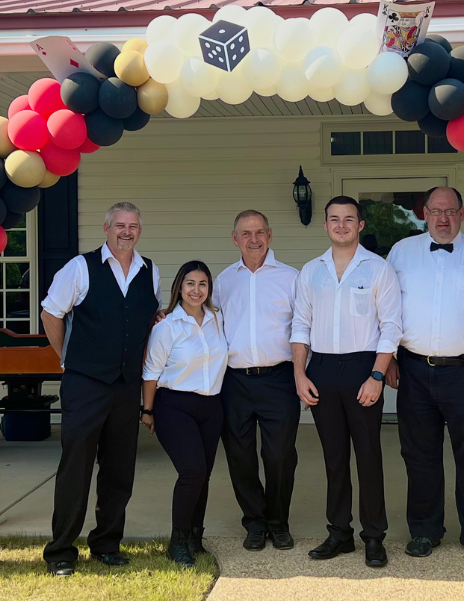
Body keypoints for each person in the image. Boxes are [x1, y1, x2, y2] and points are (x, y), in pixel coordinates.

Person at [385, 186, 464, 562]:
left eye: (451, 211)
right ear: (423, 213)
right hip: (413, 370)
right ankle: (425, 530)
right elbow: (386, 313)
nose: (443, 218)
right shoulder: (401, 254)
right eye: (436, 211)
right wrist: (389, 360)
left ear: (462, 213)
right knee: (419, 455)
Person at [41, 202, 160, 576]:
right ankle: (61, 550)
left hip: (126, 387)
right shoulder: (80, 267)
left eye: (134, 226)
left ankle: (107, 543)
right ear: (106, 228)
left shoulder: (150, 271)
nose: (127, 231)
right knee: (76, 467)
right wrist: (67, 358)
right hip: (85, 384)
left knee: (119, 469)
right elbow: (50, 313)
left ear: (140, 230)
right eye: (120, 225)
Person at [291, 196, 402, 568]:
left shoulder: (378, 269)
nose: (341, 225)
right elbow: (300, 326)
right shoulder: (311, 271)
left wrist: (376, 375)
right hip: (321, 368)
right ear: (325, 225)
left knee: (368, 455)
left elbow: (391, 326)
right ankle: (339, 533)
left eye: (349, 219)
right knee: (334, 458)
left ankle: (374, 536)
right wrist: (300, 373)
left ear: (360, 226)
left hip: (362, 369)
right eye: (334, 219)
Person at [213, 210, 300, 551]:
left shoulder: (291, 279)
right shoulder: (223, 281)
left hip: (279, 378)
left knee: (279, 455)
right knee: (240, 455)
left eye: (259, 232)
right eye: (246, 233)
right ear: (235, 238)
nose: (253, 239)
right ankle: (254, 523)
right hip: (234, 381)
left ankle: (278, 522)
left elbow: (304, 329)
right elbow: (205, 321)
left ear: (270, 235)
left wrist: (302, 373)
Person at [141, 260, 229, 567]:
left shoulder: (218, 319)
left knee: (203, 474)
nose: (196, 290)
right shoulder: (167, 326)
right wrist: (148, 410)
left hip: (211, 407)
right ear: (180, 286)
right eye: (190, 283)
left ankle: (195, 537)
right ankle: (177, 542)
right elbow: (151, 371)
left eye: (203, 284)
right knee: (192, 471)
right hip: (173, 405)